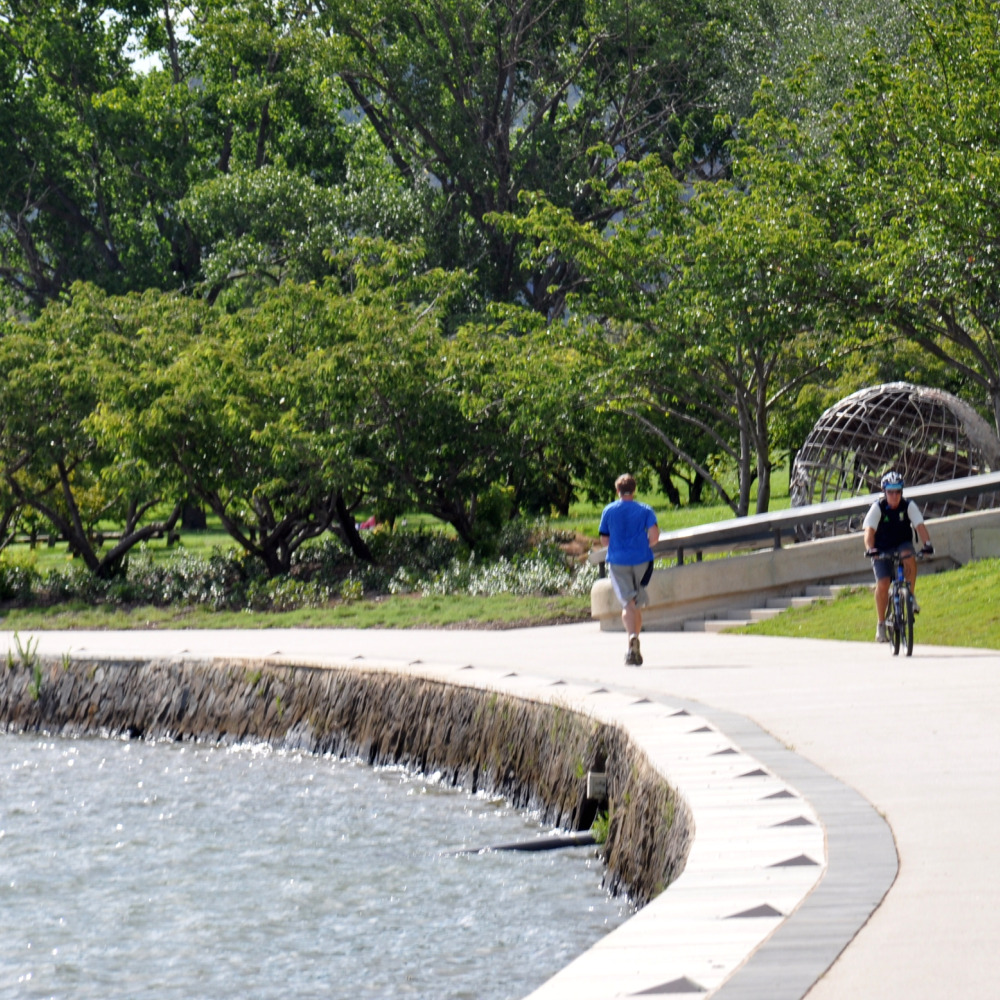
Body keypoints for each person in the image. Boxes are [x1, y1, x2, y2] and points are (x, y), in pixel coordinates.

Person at [863, 471, 934, 643]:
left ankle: (909, 596)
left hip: (902, 543)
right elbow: (869, 532)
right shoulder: (878, 507)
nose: (894, 496)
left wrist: (927, 544)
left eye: (898, 492)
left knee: (909, 556)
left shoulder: (908, 505)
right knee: (883, 582)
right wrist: (870, 549)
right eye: (890, 492)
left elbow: (920, 526)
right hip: (881, 548)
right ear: (884, 492)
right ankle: (881, 624)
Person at [599, 473, 660, 665]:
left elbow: (604, 539)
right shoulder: (645, 510)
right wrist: (642, 545)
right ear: (634, 490)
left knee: (628, 604)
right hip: (643, 560)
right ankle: (632, 646)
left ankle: (632, 637)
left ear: (617, 490)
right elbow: (654, 536)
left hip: (618, 561)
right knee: (635, 603)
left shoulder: (609, 510)